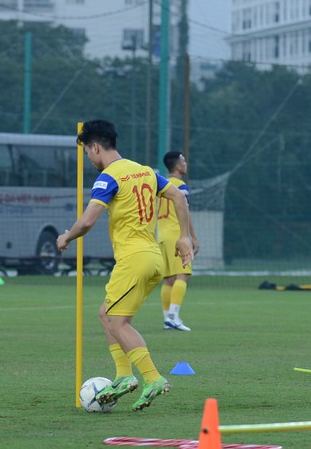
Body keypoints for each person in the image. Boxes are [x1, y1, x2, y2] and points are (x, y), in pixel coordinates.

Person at [56, 120, 193, 411]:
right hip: (152, 257)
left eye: (87, 153)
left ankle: (153, 378)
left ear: (95, 147)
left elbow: (87, 221)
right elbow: (179, 196)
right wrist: (183, 236)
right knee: (105, 314)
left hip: (133, 260)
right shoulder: (145, 171)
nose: (89, 160)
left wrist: (65, 236)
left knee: (118, 322)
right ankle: (122, 375)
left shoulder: (108, 178)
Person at [157, 151, 199, 332]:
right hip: (176, 235)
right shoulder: (180, 186)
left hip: (161, 235)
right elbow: (184, 211)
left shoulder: (160, 185)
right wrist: (193, 237)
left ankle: (167, 318)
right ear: (176, 165)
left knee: (168, 279)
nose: (186, 163)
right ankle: (173, 317)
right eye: (183, 161)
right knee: (184, 275)